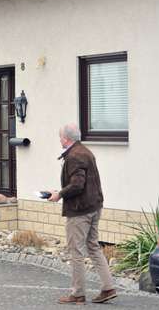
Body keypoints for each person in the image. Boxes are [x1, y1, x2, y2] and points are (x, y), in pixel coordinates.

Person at [48, 123, 117, 305]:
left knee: (76, 251)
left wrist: (60, 194)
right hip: (94, 206)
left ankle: (78, 293)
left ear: (67, 138)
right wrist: (61, 191)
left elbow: (78, 185)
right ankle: (108, 287)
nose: (60, 140)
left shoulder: (74, 156)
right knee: (93, 247)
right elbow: (82, 183)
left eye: (61, 137)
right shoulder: (86, 151)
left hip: (80, 211)